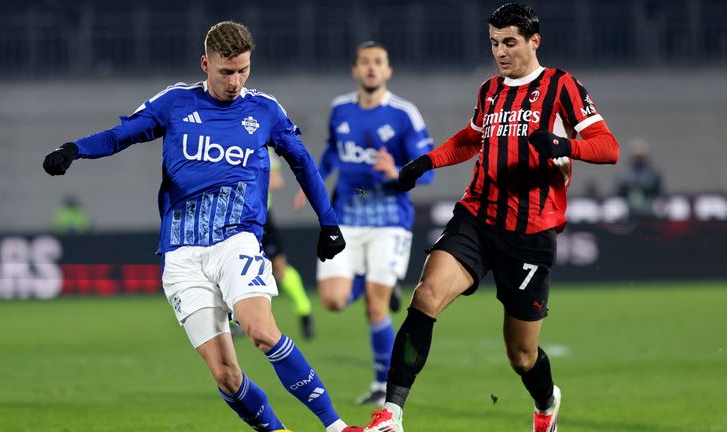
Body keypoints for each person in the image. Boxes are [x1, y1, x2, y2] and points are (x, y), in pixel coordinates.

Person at [43, 21, 362, 432]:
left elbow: (302, 162)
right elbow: (122, 135)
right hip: (181, 252)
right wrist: (75, 150)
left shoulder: (264, 110)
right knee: (227, 377)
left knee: (262, 331)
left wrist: (328, 223)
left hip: (237, 236)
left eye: (243, 70)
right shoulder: (175, 103)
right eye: (226, 72)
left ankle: (336, 426)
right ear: (205, 64)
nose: (236, 81)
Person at [363, 4, 619, 432]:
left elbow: (608, 147)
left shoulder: (562, 87)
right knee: (426, 296)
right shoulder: (491, 90)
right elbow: (471, 138)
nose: (500, 52)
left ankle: (546, 401)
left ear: (534, 41)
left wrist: (564, 145)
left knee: (521, 356)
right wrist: (426, 161)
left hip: (530, 235)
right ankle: (392, 414)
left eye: (510, 42)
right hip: (477, 217)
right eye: (494, 43)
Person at [295, 41, 434, 406]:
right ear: (355, 70)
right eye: (365, 62)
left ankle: (380, 386)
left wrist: (398, 172)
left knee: (375, 306)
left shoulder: (405, 114)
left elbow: (428, 171)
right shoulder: (340, 109)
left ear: (388, 71)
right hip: (346, 219)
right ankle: (377, 283)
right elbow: (330, 153)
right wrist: (313, 182)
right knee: (333, 301)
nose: (372, 68)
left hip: (389, 221)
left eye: (378, 62)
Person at [265, 148, 316, 340]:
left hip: (261, 217)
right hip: (234, 218)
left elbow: (277, 180)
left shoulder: (261, 146)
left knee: (279, 268)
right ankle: (230, 321)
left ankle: (304, 309)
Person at [617, 138, 663, 217]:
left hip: (649, 208)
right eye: (637, 157)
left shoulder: (653, 174)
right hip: (631, 209)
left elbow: (658, 191)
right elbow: (621, 192)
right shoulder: (626, 175)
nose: (638, 160)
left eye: (641, 157)